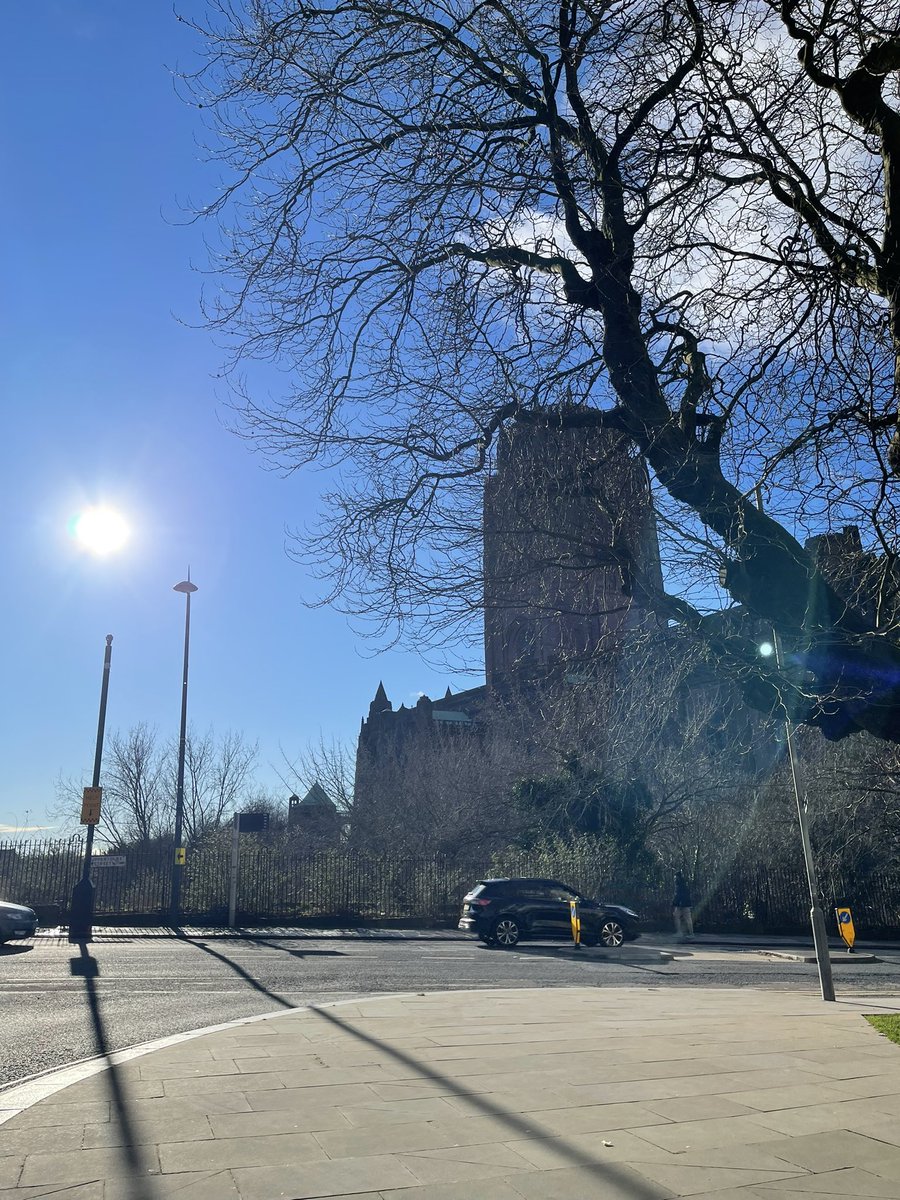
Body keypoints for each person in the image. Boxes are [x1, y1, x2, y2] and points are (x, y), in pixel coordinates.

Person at [672, 871, 694, 941]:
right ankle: (690, 933)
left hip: (681, 904)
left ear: (678, 877)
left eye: (675, 877)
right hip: (684, 904)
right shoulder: (684, 885)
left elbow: (679, 896)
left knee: (680, 917)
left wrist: (676, 903)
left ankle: (682, 932)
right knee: (686, 918)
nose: (675, 879)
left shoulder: (680, 886)